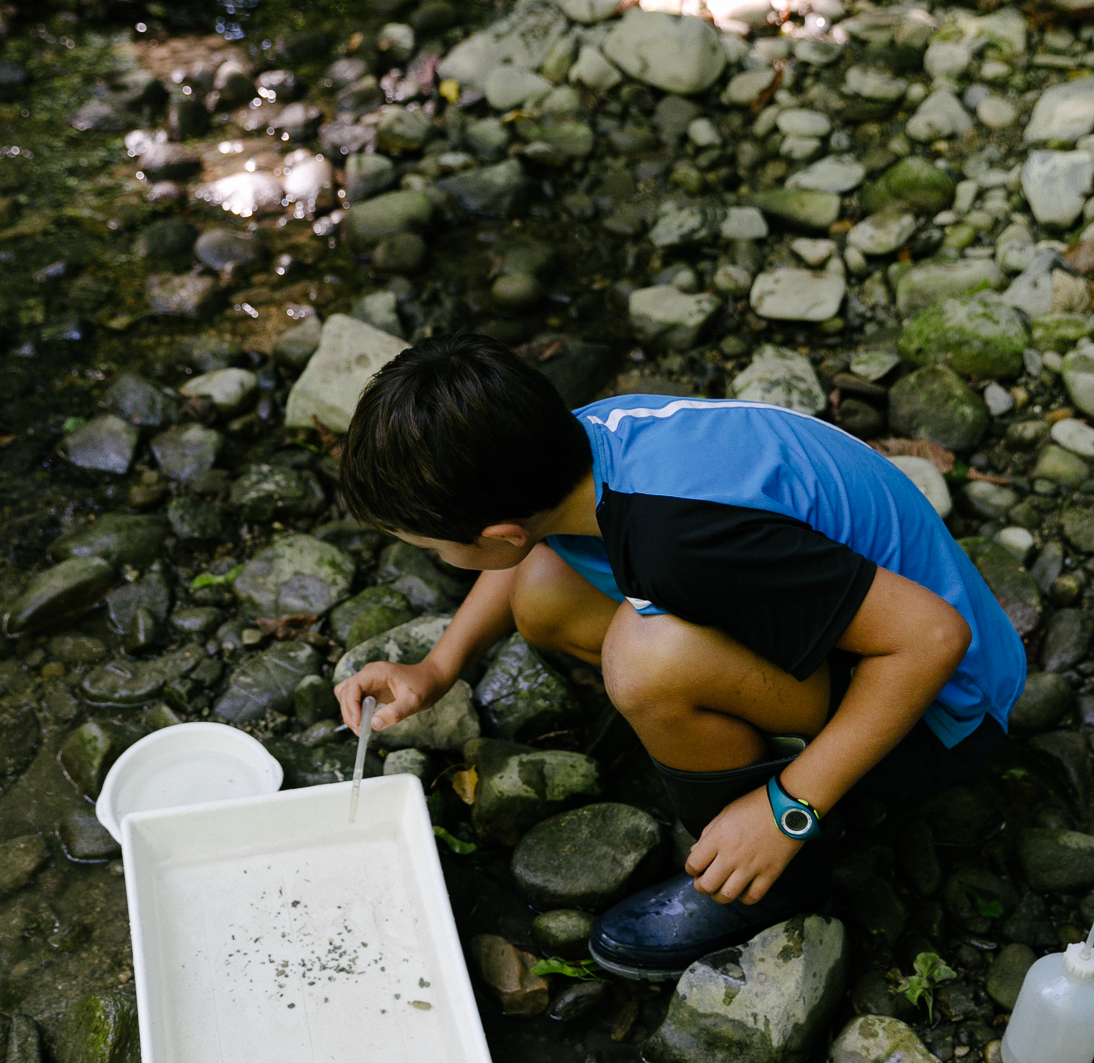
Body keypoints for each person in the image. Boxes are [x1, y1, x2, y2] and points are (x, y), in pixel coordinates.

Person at [333, 333, 1026, 981]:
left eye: (434, 549)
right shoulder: (580, 438)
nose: (439, 559)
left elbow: (932, 638)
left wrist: (789, 807)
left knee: (644, 660)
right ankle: (718, 738)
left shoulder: (687, 541)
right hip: (868, 628)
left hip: (942, 712)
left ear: (500, 533)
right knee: (543, 590)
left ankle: (765, 879)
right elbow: (523, 556)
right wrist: (438, 666)